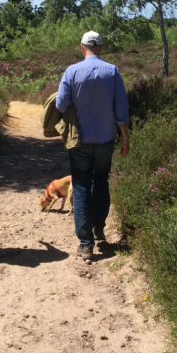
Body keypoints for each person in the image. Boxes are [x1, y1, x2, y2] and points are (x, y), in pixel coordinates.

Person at [55, 31, 130, 260]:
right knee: (101, 181)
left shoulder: (71, 71)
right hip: (106, 139)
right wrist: (125, 139)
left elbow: (60, 104)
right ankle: (98, 227)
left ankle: (86, 244)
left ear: (82, 47)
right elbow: (121, 110)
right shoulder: (112, 71)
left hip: (79, 142)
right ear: (101, 48)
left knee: (80, 187)